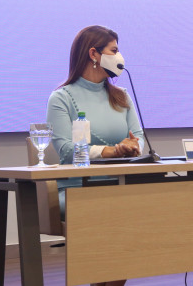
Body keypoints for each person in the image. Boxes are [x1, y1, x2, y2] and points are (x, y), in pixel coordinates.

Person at [46, 25, 144, 286]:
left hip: (120, 185)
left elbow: (139, 138)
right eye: (114, 50)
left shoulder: (121, 96)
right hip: (78, 188)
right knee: (114, 216)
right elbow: (66, 150)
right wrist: (111, 151)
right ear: (94, 54)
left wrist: (133, 146)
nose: (119, 56)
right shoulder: (61, 98)